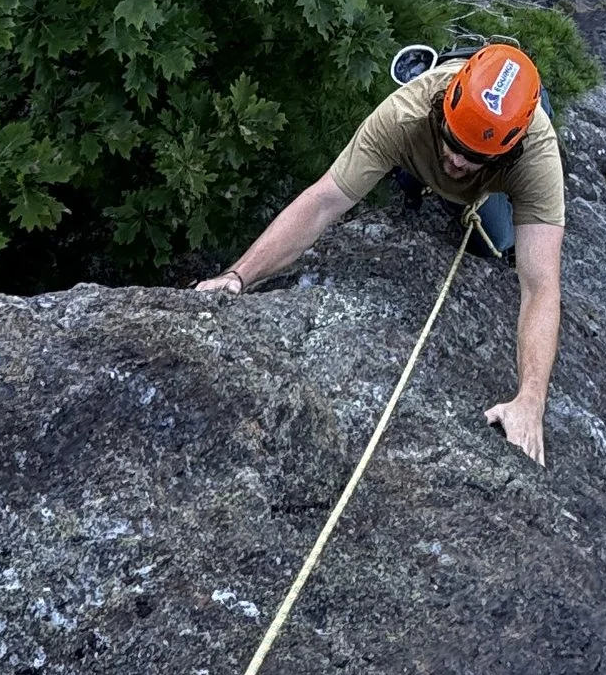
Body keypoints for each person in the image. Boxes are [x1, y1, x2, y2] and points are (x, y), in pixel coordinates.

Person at [195, 41, 566, 465]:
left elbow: (540, 285)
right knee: (413, 174)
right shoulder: (405, 112)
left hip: (495, 179)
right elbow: (323, 202)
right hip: (414, 141)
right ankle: (417, 162)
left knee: (496, 243)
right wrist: (238, 276)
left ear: (509, 150)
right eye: (450, 140)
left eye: (473, 156)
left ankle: (458, 180)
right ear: (443, 108)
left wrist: (530, 401)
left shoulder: (536, 154)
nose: (456, 159)